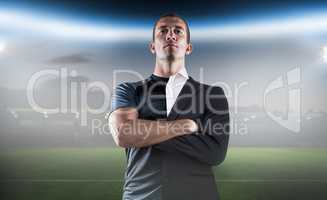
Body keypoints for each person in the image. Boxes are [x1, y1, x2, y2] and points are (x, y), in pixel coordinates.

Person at [107, 13, 229, 200]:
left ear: (188, 47)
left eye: (177, 31)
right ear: (152, 46)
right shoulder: (129, 90)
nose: (170, 35)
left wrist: (143, 130)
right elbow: (124, 133)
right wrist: (185, 126)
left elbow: (215, 153)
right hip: (140, 196)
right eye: (163, 31)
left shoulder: (213, 94)